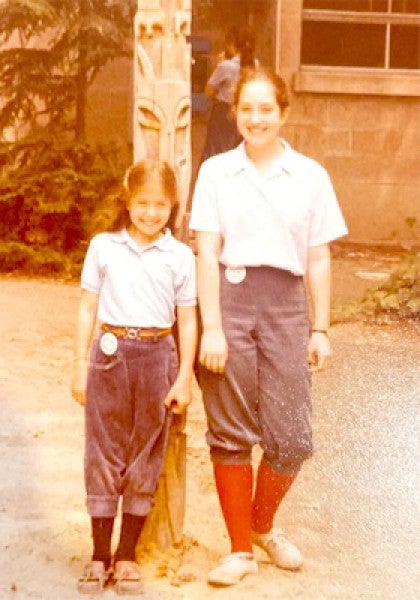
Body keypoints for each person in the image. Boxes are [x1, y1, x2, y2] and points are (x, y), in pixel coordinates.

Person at [189, 66, 348, 587]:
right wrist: (213, 327)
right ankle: (240, 550)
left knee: (293, 437)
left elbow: (318, 257)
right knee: (231, 430)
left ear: (283, 113)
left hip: (286, 307)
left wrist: (320, 328)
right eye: (246, 109)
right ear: (234, 113)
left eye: (265, 109)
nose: (255, 119)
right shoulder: (216, 172)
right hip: (230, 302)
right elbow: (206, 252)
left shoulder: (310, 176)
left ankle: (261, 525)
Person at [71, 160, 197, 595]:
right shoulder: (104, 247)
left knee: (146, 453)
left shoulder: (180, 256)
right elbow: (87, 307)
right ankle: (99, 555)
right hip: (109, 356)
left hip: (158, 356)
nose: (150, 213)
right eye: (142, 203)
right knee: (103, 452)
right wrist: (79, 364)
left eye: (160, 205)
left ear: (172, 206)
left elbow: (187, 319)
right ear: (127, 202)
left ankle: (126, 556)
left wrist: (184, 377)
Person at [200, 26, 255, 162]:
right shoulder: (255, 65)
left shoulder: (226, 66)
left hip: (223, 112)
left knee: (217, 150)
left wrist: (218, 65)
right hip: (245, 110)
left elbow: (208, 91)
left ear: (232, 44)